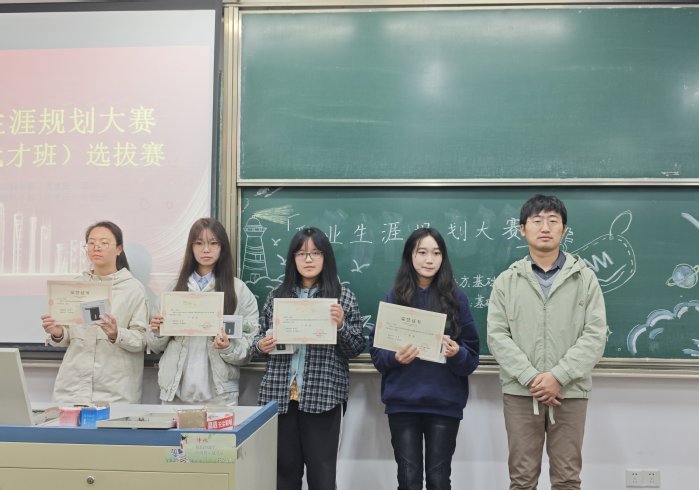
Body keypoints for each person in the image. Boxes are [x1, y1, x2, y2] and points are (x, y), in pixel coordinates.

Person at [487, 194, 608, 490]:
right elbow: (497, 336)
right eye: (537, 220)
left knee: (567, 479)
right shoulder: (506, 281)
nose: (545, 227)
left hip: (570, 391)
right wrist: (532, 378)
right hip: (520, 392)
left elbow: (595, 334)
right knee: (522, 479)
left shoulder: (585, 279)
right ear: (522, 229)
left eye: (553, 221)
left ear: (564, 230)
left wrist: (558, 376)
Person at [253, 227, 365, 490]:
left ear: (326, 257)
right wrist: (261, 344)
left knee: (322, 477)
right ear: (293, 259)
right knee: (283, 476)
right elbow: (256, 341)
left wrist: (340, 326)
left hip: (323, 398)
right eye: (301, 254)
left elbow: (356, 347)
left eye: (316, 253)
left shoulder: (342, 297)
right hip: (280, 397)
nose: (308, 259)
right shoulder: (277, 296)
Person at [370, 227, 480, 490]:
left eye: (436, 253)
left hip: (444, 403)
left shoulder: (456, 298)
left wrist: (456, 353)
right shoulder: (394, 297)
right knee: (408, 479)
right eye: (422, 252)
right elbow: (378, 357)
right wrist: (396, 357)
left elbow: (471, 357)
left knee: (438, 479)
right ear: (410, 255)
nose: (429, 259)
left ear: (443, 258)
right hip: (403, 403)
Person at [147, 218, 259, 406]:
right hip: (175, 393)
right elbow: (154, 345)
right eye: (199, 243)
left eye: (213, 243)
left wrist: (228, 347)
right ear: (191, 247)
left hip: (220, 395)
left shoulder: (238, 291)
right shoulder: (173, 290)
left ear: (222, 247)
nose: (206, 249)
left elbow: (249, 346)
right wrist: (157, 332)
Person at [40, 221, 149, 404]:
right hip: (72, 388)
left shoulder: (133, 289)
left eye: (104, 243)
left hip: (115, 392)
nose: (96, 247)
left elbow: (142, 340)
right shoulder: (75, 286)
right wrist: (58, 333)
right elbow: (69, 337)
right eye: (91, 243)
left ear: (119, 249)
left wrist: (116, 333)